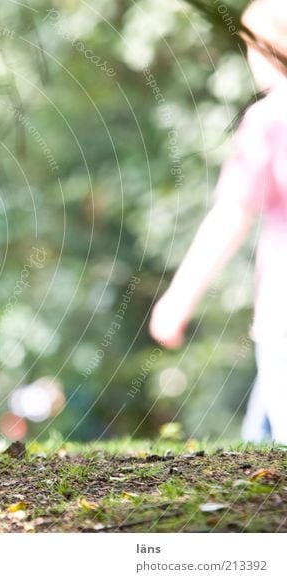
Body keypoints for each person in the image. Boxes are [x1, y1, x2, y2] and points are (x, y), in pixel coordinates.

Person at [150, 0, 287, 443]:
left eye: (252, 46)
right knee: (260, 444)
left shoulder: (270, 118)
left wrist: (178, 299)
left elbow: (232, 215)